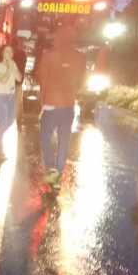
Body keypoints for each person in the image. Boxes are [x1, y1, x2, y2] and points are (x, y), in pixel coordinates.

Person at [36, 25, 85, 188]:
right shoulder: (79, 57)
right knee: (64, 140)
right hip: (69, 105)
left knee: (45, 138)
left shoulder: (49, 55)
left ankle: (51, 171)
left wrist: (42, 103)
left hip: (51, 104)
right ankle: (58, 173)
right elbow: (80, 80)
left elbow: (42, 79)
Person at [0, 45, 22, 159]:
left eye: (11, 52)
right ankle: (0, 150)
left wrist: (14, 68)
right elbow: (3, 80)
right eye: (7, 52)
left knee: (9, 122)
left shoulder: (13, 64)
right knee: (4, 122)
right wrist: (9, 67)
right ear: (2, 53)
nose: (9, 54)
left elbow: (19, 79)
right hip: (0, 97)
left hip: (11, 97)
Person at [12, 39, 27, 129]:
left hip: (10, 82)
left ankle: (12, 121)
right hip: (18, 82)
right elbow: (22, 66)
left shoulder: (11, 55)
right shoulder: (22, 54)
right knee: (18, 103)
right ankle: (18, 123)